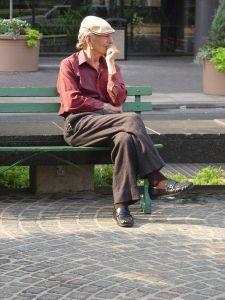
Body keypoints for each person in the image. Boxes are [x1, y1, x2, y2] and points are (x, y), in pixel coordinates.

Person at [57, 16, 193, 228]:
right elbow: (71, 100)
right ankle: (156, 177)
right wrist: (103, 106)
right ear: (88, 39)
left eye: (111, 36)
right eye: (105, 36)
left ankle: (121, 206)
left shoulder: (108, 65)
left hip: (110, 125)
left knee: (125, 139)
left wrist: (111, 66)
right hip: (80, 125)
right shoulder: (70, 64)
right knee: (132, 118)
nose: (111, 41)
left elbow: (118, 100)